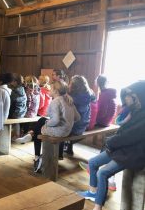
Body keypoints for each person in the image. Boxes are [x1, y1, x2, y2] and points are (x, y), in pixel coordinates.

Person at [77, 81, 145, 210]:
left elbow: (130, 136)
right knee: (92, 163)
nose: (126, 97)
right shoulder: (134, 110)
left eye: (130, 95)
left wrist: (110, 142)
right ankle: (92, 192)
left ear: (139, 96)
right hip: (120, 148)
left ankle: (97, 207)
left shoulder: (143, 115)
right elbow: (122, 129)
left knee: (102, 173)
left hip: (130, 153)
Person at [16, 81, 80, 172]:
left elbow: (56, 120)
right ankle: (30, 136)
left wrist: (47, 123)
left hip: (59, 131)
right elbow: (78, 118)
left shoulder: (56, 101)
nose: (48, 90)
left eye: (50, 89)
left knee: (39, 129)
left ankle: (37, 156)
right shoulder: (68, 100)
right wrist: (66, 120)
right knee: (42, 120)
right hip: (67, 130)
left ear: (56, 91)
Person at [61, 75, 95, 158]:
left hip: (75, 128)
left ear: (74, 86)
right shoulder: (89, 94)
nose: (69, 85)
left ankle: (58, 153)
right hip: (84, 125)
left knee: (59, 124)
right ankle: (69, 147)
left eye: (70, 84)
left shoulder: (72, 98)